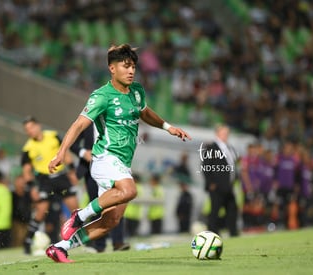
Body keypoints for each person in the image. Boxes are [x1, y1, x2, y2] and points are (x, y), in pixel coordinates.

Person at [45, 44, 191, 263]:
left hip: (122, 163)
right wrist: (60, 153)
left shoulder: (137, 91)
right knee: (130, 190)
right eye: (125, 66)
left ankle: (60, 247)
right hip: (105, 157)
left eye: (133, 66)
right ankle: (80, 215)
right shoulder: (102, 96)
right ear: (112, 69)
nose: (131, 71)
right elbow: (78, 125)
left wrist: (168, 127)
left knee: (110, 221)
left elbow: (145, 113)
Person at [21, 116, 80, 254]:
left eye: (31, 127)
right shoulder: (28, 148)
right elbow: (26, 170)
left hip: (61, 177)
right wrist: (31, 187)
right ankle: (28, 241)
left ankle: (88, 237)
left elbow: (65, 153)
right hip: (44, 181)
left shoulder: (53, 136)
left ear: (38, 126)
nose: (29, 131)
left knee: (75, 208)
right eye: (26, 130)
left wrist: (72, 171)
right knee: (41, 211)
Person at [70, 123, 129, 252]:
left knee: (117, 201)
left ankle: (118, 242)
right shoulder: (87, 123)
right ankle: (98, 244)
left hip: (112, 168)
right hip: (92, 168)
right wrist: (83, 152)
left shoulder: (114, 121)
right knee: (97, 204)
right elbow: (73, 144)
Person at [202, 124, 239, 237]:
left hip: (228, 185)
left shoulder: (229, 147)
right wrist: (210, 182)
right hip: (217, 185)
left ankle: (233, 232)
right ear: (217, 133)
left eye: (227, 133)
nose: (226, 135)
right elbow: (206, 165)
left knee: (232, 209)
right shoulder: (212, 147)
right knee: (215, 210)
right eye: (223, 132)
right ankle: (212, 234)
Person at [11, 175, 32, 247]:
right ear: (15, 183)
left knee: (25, 240)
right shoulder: (12, 195)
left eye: (23, 182)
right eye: (20, 182)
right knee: (17, 240)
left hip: (27, 221)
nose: (21, 184)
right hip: (16, 221)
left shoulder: (28, 194)